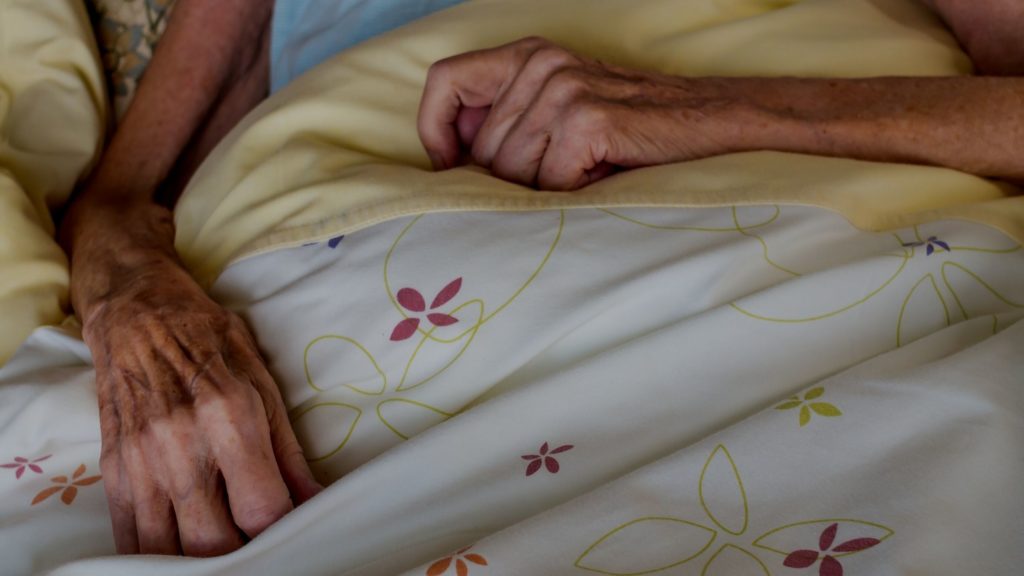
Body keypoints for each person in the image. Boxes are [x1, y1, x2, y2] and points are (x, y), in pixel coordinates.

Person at [57, 0, 1023, 557]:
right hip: (340, 218)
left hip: (796, 174)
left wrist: (703, 109)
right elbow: (115, 200)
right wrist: (130, 303)